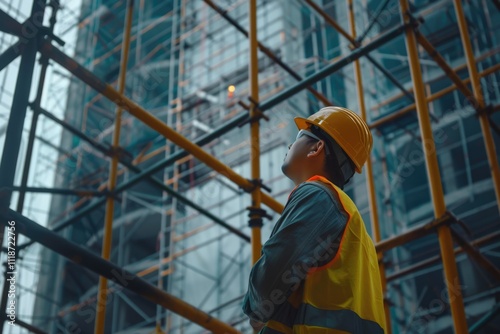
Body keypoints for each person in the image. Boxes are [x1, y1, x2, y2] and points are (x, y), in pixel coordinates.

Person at [242, 107, 387, 333]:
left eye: (299, 137)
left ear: (317, 148)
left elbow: (271, 278)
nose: (290, 145)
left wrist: (254, 307)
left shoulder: (318, 195)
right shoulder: (353, 227)